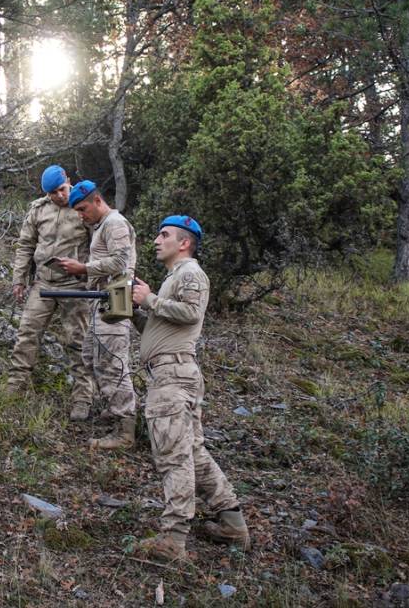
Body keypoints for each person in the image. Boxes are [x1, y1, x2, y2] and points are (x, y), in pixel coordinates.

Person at [129, 215, 250, 563]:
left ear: (183, 243)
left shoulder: (189, 274)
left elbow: (191, 313)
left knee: (173, 455)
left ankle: (173, 539)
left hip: (173, 377)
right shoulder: (172, 280)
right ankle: (232, 523)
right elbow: (161, 326)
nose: (156, 240)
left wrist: (150, 299)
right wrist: (133, 311)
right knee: (193, 452)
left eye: (163, 235)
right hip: (171, 373)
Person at [3, 165, 94, 420]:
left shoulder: (83, 205)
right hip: (43, 283)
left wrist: (92, 276)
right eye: (53, 192)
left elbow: (98, 245)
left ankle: (82, 398)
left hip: (75, 285)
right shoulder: (38, 209)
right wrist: (19, 279)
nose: (60, 196)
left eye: (62, 189)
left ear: (69, 181)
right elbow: (25, 245)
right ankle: (14, 388)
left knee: (78, 341)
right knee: (26, 334)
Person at [55, 180, 138, 450]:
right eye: (77, 211)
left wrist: (83, 268)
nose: (81, 215)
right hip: (100, 303)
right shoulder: (102, 225)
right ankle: (113, 409)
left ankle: (125, 428)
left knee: (113, 363)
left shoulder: (114, 223)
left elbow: (120, 262)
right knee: (93, 357)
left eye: (83, 209)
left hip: (113, 302)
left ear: (97, 200)